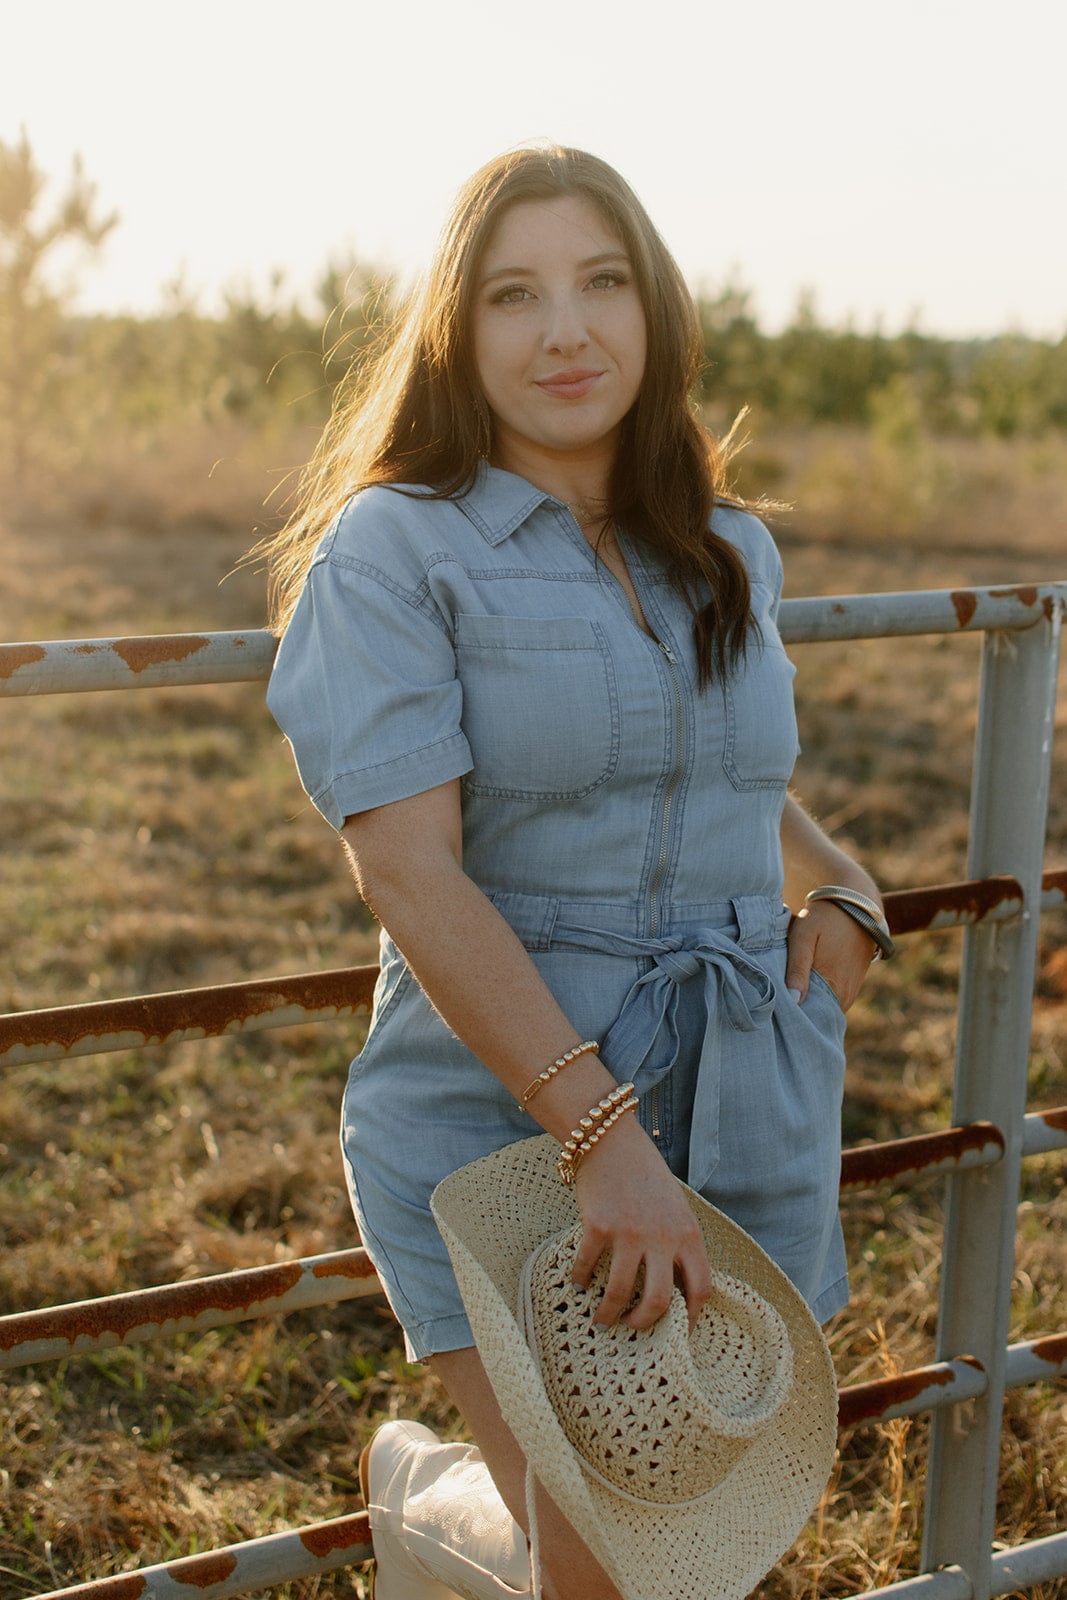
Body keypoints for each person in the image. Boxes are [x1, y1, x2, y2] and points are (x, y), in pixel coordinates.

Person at [263, 144, 890, 1600]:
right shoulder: (397, 554)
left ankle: (448, 1520)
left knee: (701, 1535)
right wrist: (603, 1141)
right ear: (457, 334)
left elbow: (708, 755)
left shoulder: (724, 548)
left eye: (602, 283)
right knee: (612, 1573)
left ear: (654, 309)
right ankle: (431, 1501)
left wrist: (835, 870)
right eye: (514, 295)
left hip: (737, 1086)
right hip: (511, 1102)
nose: (566, 330)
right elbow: (411, 877)